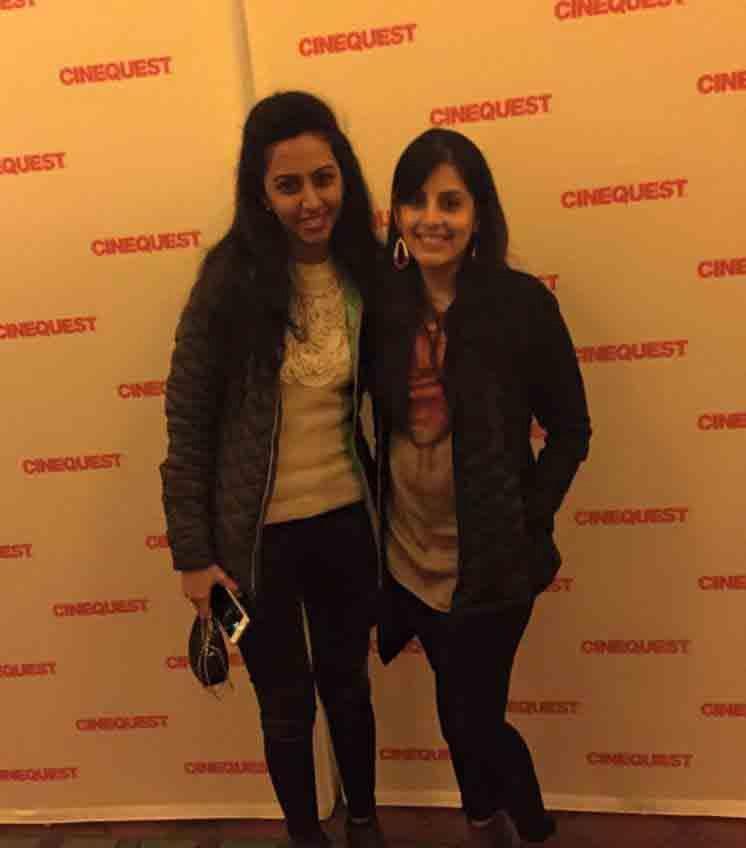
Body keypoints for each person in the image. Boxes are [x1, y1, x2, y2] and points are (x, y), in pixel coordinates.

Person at [160, 91, 384, 848]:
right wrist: (193, 558)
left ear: (343, 176)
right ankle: (305, 838)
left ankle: (364, 825)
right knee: (284, 705)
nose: (311, 200)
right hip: (249, 550)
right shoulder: (226, 284)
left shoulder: (367, 271)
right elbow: (187, 426)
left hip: (346, 527)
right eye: (289, 185)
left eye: (324, 178)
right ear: (260, 193)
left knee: (349, 688)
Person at [370, 128, 591, 847]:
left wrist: (527, 517)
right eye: (416, 201)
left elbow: (571, 429)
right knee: (458, 711)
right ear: (397, 214)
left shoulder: (522, 306)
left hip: (493, 567)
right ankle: (488, 824)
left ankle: (530, 827)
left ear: (478, 213)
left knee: (472, 715)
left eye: (451, 202)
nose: (432, 218)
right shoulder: (381, 306)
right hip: (408, 560)